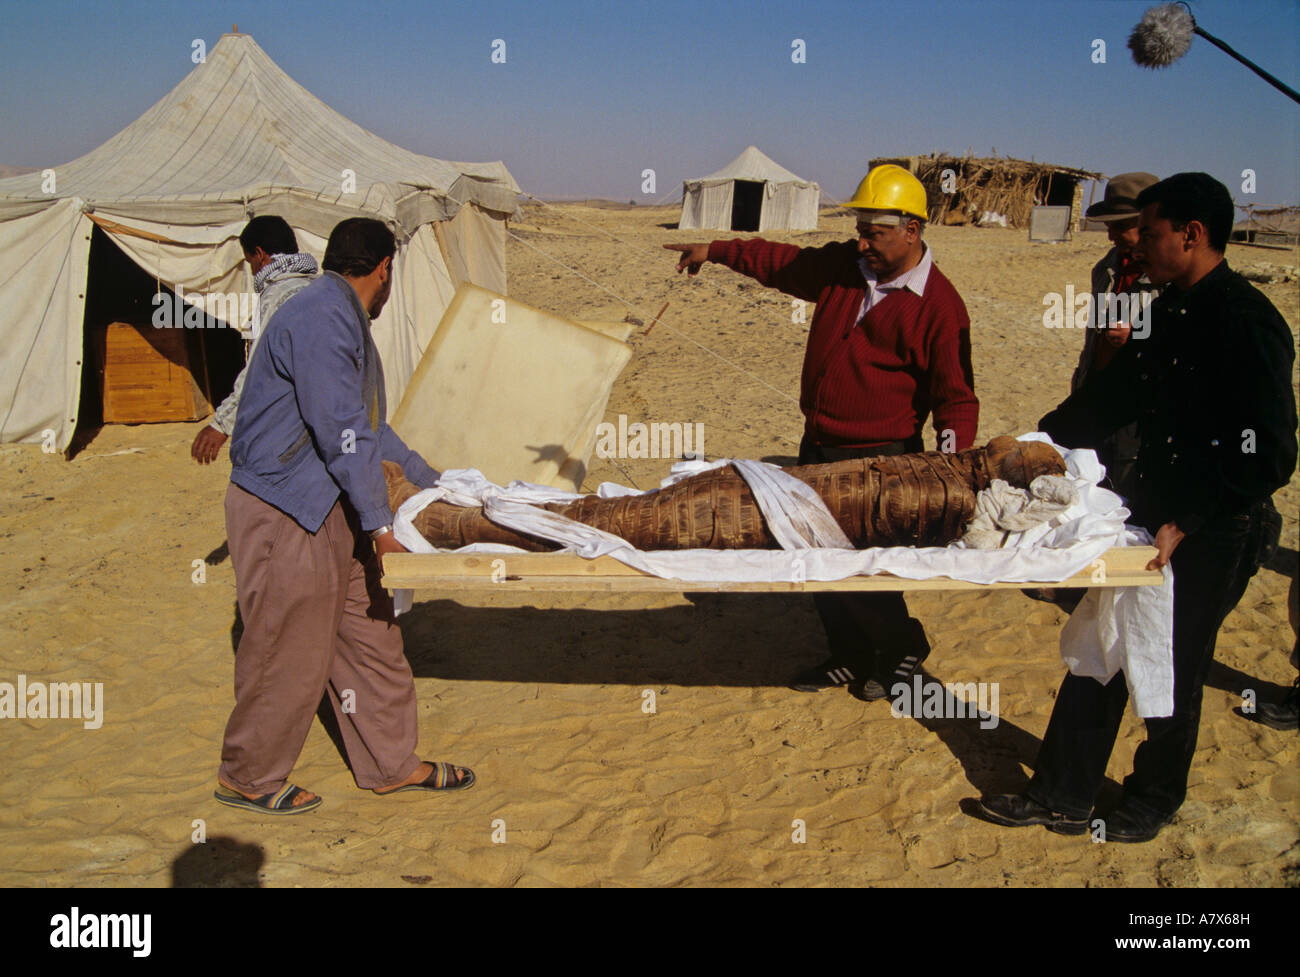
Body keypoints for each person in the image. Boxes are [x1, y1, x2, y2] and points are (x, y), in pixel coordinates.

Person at [978, 173, 1298, 842]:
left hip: (1217, 528)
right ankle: (1062, 794)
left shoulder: (1248, 321)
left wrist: (1191, 520)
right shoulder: (1170, 311)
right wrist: (1034, 443)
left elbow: (1269, 454)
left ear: (1193, 234)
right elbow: (1113, 399)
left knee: (1169, 663)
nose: (1140, 245)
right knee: (1102, 649)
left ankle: (1154, 799)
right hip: (1148, 514)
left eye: (1150, 233)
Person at [665, 163, 978, 701]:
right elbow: (781, 262)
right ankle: (850, 655)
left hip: (883, 460)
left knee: (865, 569)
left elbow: (956, 399)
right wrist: (714, 250)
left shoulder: (940, 308)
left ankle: (901, 648)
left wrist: (953, 470)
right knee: (817, 561)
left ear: (912, 229)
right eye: (860, 229)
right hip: (819, 448)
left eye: (875, 233)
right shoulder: (844, 268)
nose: (863, 242)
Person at [216, 217, 473, 814]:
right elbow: (345, 431)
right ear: (383, 269)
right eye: (391, 274)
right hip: (285, 509)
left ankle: (390, 764)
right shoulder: (319, 316)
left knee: (370, 632)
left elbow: (372, 429)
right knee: (288, 646)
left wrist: (440, 483)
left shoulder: (343, 319)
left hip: (332, 509)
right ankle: (247, 776)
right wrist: (383, 530)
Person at [191, 216, 318, 464]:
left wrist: (221, 423)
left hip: (291, 427)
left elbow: (259, 370)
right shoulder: (318, 288)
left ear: (259, 254)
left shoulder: (278, 297)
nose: (251, 269)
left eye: (250, 261)